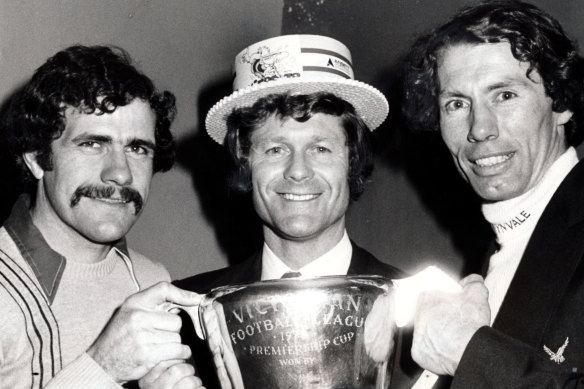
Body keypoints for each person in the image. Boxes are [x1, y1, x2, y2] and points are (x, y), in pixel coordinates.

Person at [175, 35, 416, 388]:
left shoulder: (418, 312)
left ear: (352, 162)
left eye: (320, 148)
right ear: (245, 162)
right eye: (275, 150)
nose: (298, 171)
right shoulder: (185, 318)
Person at [402, 1, 584, 387]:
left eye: (504, 95)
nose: (479, 129)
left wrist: (469, 353)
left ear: (562, 102)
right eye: (456, 104)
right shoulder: (500, 248)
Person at [0, 45, 203, 388]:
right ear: (36, 158)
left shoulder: (152, 280)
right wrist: (103, 367)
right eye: (93, 144)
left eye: (137, 148)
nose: (120, 174)